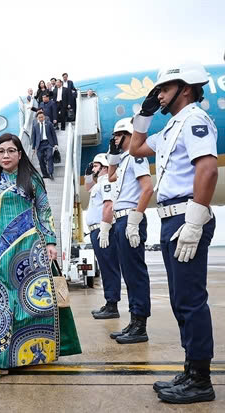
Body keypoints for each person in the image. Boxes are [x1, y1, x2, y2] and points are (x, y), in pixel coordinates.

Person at [129, 62, 217, 404]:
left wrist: (195, 221)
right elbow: (135, 148)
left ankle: (201, 380)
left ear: (186, 89)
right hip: (169, 219)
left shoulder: (194, 119)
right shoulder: (170, 129)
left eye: (164, 89)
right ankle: (191, 368)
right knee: (182, 300)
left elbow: (207, 170)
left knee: (191, 301)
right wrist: (144, 114)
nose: (159, 95)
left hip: (185, 216)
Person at [0, 133, 80, 373]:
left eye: (10, 151)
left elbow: (44, 210)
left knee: (31, 303)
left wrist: (50, 242)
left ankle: (28, 354)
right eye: (1, 152)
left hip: (31, 247)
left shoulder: (32, 179)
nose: (5, 155)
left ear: (20, 154)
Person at [106, 118, 154, 344]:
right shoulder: (125, 160)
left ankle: (140, 325)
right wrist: (113, 153)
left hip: (130, 220)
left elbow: (147, 189)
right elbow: (110, 176)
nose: (114, 139)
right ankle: (134, 321)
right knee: (128, 273)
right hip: (120, 220)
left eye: (118, 135)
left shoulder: (136, 157)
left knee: (135, 273)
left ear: (128, 135)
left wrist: (135, 220)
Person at [84, 154, 122, 319]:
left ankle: (112, 305)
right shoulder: (98, 184)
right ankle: (109, 303)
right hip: (95, 230)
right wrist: (87, 175)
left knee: (109, 267)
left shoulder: (107, 182)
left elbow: (109, 206)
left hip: (102, 230)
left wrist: (105, 230)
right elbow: (88, 188)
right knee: (106, 267)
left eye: (96, 166)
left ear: (105, 167)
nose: (93, 168)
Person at [31, 112, 58, 179]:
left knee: (49, 157)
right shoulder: (35, 126)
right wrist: (33, 148)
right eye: (39, 117)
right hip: (39, 145)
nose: (41, 118)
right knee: (40, 159)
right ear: (37, 118)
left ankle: (51, 173)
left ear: (44, 117)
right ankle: (45, 174)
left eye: (42, 117)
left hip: (48, 143)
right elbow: (33, 137)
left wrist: (56, 144)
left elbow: (53, 134)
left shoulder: (49, 124)